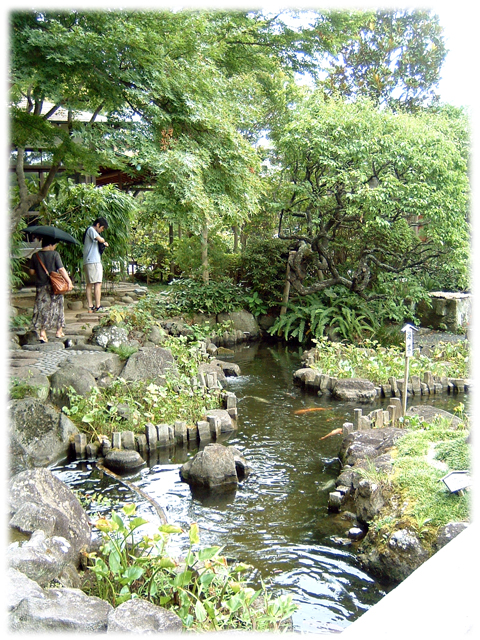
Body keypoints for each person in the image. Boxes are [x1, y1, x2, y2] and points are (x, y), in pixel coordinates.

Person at [28, 237, 73, 342]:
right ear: (51, 245)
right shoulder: (55, 254)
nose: (55, 247)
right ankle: (59, 331)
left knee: (42, 308)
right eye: (55, 245)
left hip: (41, 286)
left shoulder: (35, 256)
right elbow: (61, 269)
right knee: (58, 306)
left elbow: (31, 272)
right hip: (54, 286)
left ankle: (42, 333)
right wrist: (69, 281)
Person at [83, 217, 109, 312]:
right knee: (98, 283)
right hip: (93, 261)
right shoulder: (91, 229)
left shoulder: (89, 232)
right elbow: (100, 239)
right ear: (98, 225)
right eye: (102, 228)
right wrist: (104, 241)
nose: (101, 231)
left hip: (88, 261)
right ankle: (97, 306)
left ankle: (90, 306)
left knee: (89, 284)